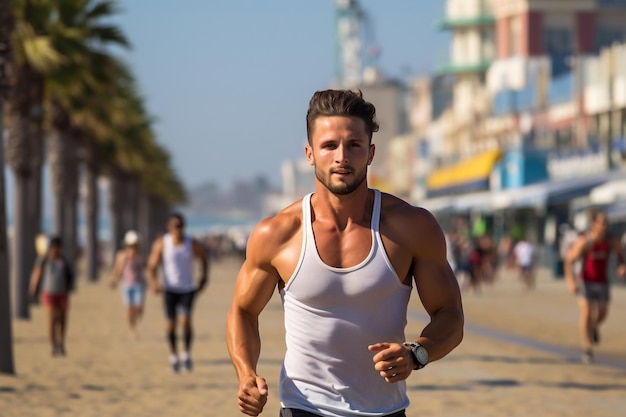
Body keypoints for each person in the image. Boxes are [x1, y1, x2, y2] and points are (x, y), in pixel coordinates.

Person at [226, 89, 464, 417]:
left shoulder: (412, 227)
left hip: (385, 411)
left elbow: (450, 314)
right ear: (309, 154)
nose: (342, 157)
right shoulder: (278, 234)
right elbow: (242, 310)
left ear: (370, 152)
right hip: (302, 408)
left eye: (354, 145)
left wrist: (416, 354)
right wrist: (246, 374)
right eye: (329, 146)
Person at [147, 213, 209, 373]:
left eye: (180, 226)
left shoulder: (191, 243)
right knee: (171, 323)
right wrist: (153, 282)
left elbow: (203, 259)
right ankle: (174, 356)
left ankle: (186, 354)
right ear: (169, 227)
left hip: (187, 288)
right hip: (170, 289)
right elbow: (152, 265)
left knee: (186, 321)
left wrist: (203, 278)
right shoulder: (162, 243)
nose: (177, 229)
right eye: (174, 226)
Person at [565, 210, 626, 364]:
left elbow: (621, 257)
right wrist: (571, 282)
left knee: (602, 314)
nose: (604, 226)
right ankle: (588, 349)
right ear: (593, 224)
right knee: (585, 312)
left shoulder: (612, 241)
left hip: (602, 282)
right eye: (601, 223)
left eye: (606, 223)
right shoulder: (585, 241)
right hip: (585, 281)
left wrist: (621, 266)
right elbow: (569, 260)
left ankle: (593, 326)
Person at [29, 236, 75, 357]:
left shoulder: (63, 261)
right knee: (51, 320)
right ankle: (53, 345)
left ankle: (61, 343)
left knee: (62, 320)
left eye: (57, 248)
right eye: (53, 247)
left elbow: (70, 276)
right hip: (48, 294)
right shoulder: (43, 260)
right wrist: (33, 289)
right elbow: (37, 273)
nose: (54, 250)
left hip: (62, 293)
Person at [109, 230, 146, 339]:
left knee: (138, 307)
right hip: (126, 285)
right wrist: (114, 280)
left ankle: (136, 319)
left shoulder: (140, 256)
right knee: (129, 309)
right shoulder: (122, 256)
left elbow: (146, 268)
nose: (133, 247)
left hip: (139, 284)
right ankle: (132, 328)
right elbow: (118, 269)